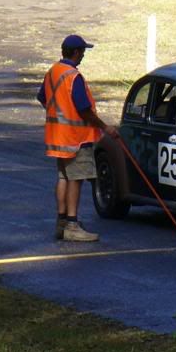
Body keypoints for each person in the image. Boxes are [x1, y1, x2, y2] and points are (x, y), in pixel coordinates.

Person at [37, 34, 117, 241]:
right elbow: (84, 109)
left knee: (63, 177)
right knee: (77, 178)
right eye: (82, 52)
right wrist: (104, 127)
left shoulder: (53, 71)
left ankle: (62, 221)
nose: (82, 56)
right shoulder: (73, 76)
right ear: (75, 52)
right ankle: (72, 224)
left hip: (57, 136)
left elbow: (42, 97)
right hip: (75, 138)